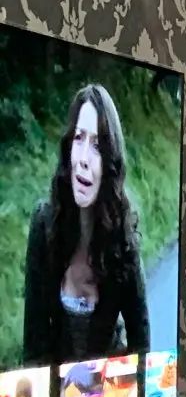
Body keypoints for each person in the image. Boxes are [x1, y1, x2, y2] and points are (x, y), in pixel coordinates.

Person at [21, 84, 148, 366]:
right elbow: (33, 348)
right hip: (55, 387)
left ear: (111, 161)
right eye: (79, 138)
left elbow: (142, 347)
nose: (83, 160)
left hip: (109, 390)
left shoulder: (123, 240)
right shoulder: (44, 224)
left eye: (97, 146)